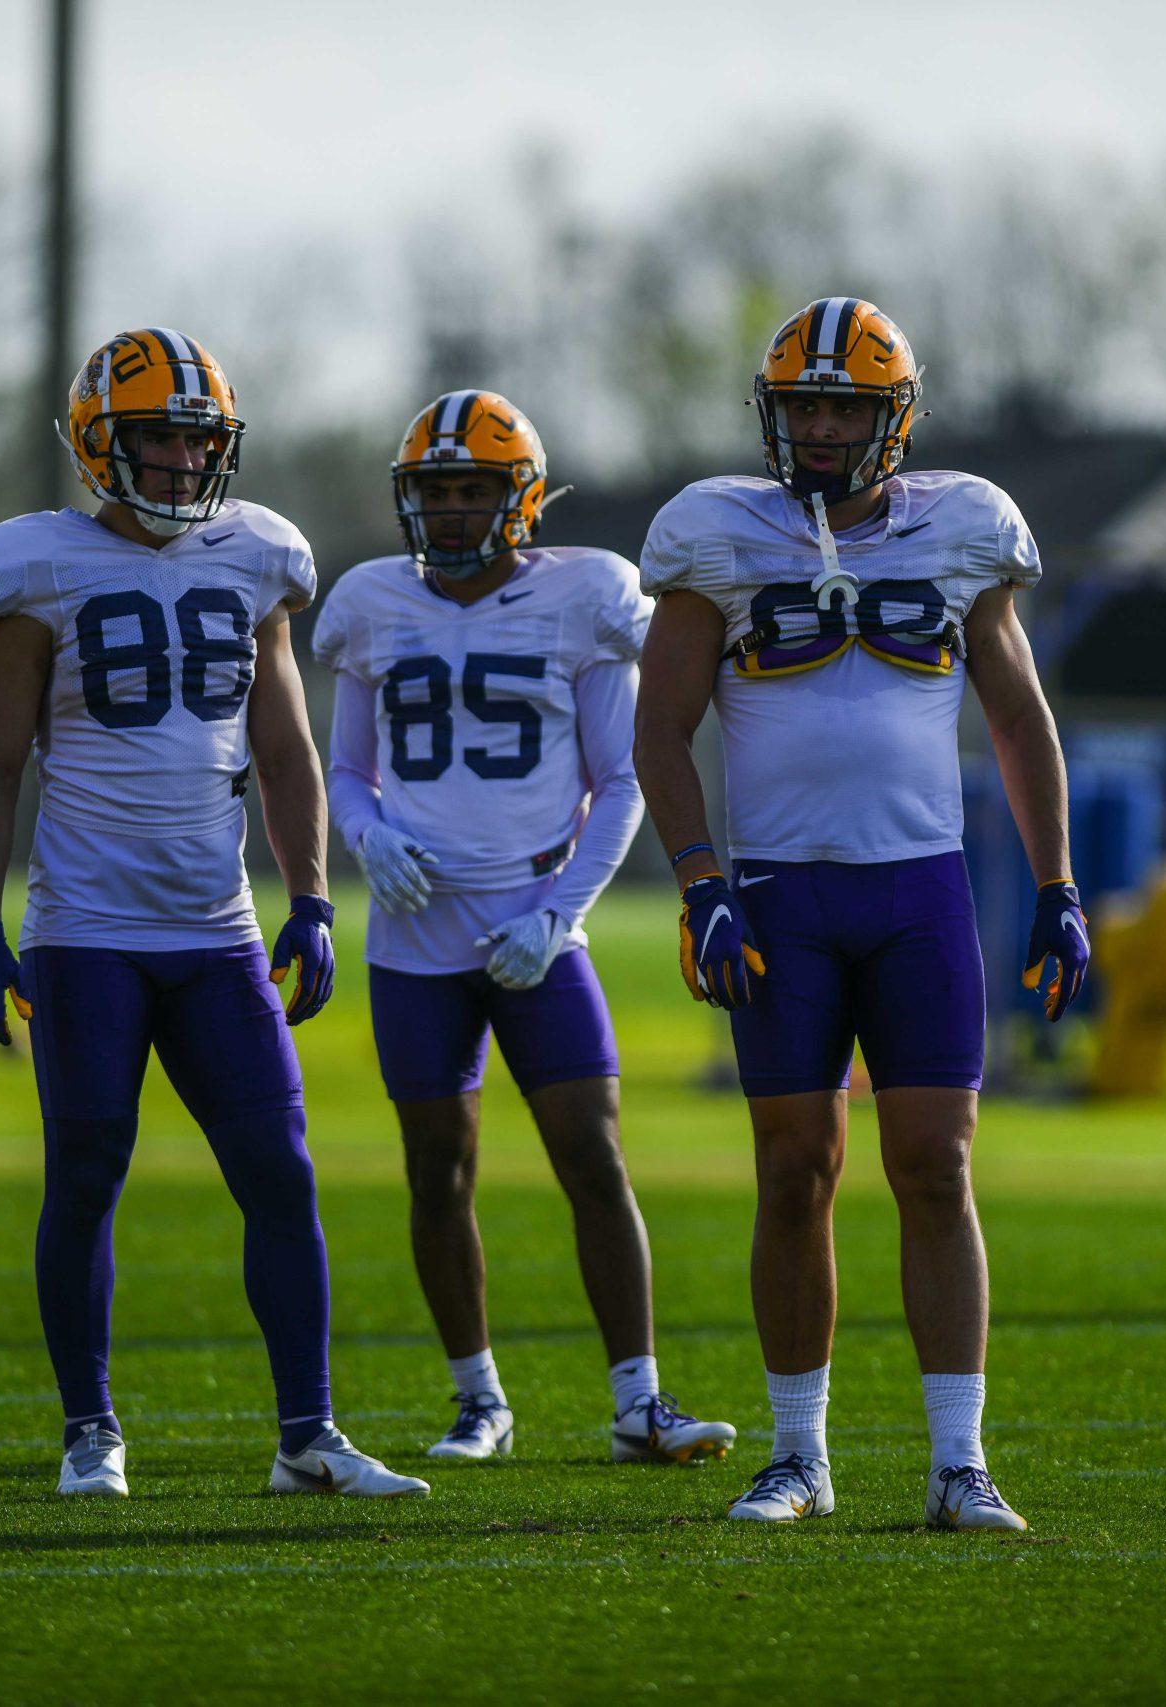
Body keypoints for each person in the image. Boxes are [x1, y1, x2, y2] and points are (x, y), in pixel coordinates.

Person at [631, 298, 1090, 1531]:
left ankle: (958, 1463)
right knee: (794, 1173)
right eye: (805, 407)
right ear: (774, 416)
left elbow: (1017, 718)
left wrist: (1055, 885)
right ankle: (799, 1457)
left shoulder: (962, 526)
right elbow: (658, 729)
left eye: (846, 407)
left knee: (934, 1166)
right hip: (780, 892)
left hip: (917, 890)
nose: (824, 428)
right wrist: (699, 882)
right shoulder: (715, 533)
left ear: (895, 419)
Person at [0, 326, 426, 1502]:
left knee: (281, 1171)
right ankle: (90, 1431)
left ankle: (307, 1435)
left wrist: (311, 897)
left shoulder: (257, 554)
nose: (175, 461)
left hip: (215, 932)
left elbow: (285, 745)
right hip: (86, 935)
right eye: (154, 436)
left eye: (194, 438)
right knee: (87, 1172)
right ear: (95, 443)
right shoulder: (35, 567)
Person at [310, 389, 736, 1466]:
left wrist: (556, 917)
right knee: (435, 1169)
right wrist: (365, 837)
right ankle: (478, 1401)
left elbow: (624, 777)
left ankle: (640, 1401)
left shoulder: (584, 595)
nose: (452, 511)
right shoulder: (370, 603)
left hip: (535, 929)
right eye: (436, 491)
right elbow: (348, 769)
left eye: (474, 489)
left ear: (523, 497)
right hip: (412, 942)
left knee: (591, 1157)